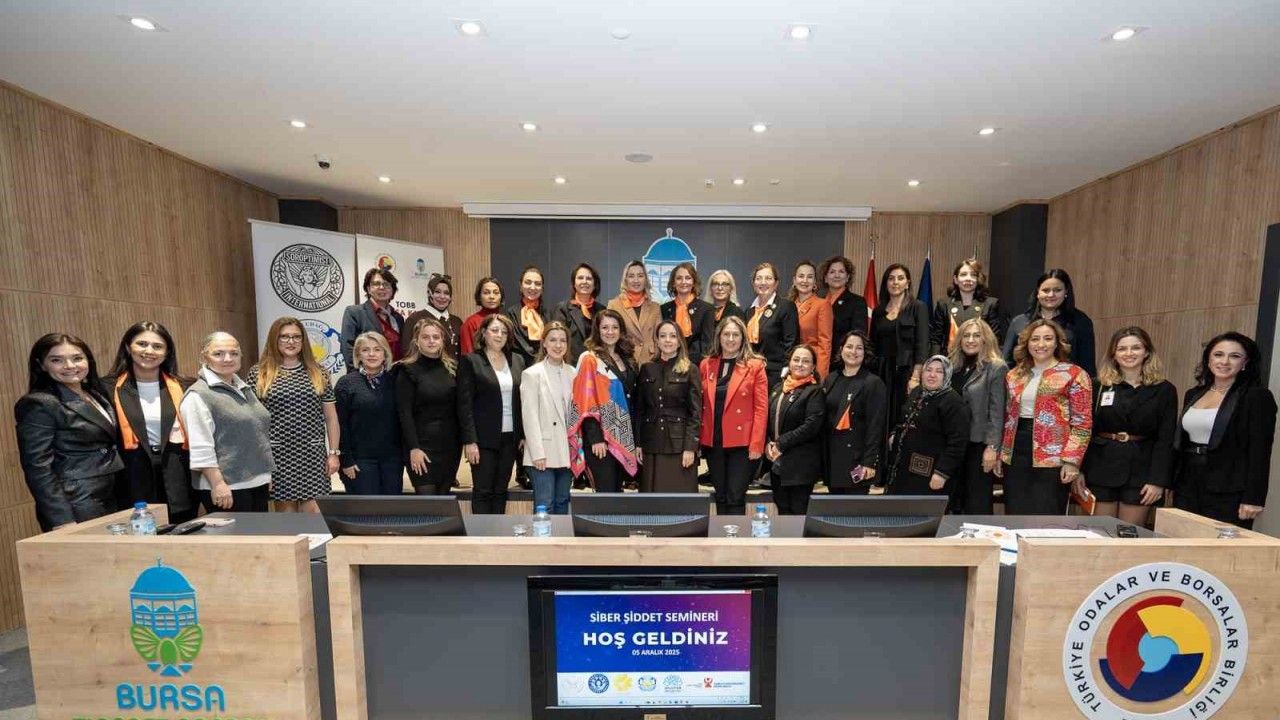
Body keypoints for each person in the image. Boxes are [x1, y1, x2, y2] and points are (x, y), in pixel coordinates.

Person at [16, 333, 124, 530]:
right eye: (56, 360)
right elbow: (37, 466)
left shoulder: (95, 394)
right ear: (42, 365)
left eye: (77, 358)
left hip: (110, 493)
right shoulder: (39, 403)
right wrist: (61, 519)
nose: (70, 366)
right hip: (77, 501)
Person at [1174, 331, 1276, 529]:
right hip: (1187, 483)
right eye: (1218, 354)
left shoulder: (1256, 397)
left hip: (1228, 488)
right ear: (1209, 359)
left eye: (1234, 356)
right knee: (1184, 539)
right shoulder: (1193, 394)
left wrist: (1253, 498)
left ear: (1245, 363)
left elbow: (1260, 451)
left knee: (1220, 544)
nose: (1224, 361)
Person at [1078, 327, 1177, 525]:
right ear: (1113, 354)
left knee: (1129, 533)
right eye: (1122, 349)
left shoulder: (1164, 389)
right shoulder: (1098, 386)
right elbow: (1084, 430)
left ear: (1147, 352)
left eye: (1136, 348)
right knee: (1099, 533)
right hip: (1100, 468)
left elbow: (1166, 439)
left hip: (1142, 471)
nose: (1129, 353)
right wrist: (1078, 470)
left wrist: (1158, 481)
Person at [995, 319, 1092, 515]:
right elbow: (1006, 418)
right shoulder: (1014, 375)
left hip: (1054, 455)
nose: (1041, 344)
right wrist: (1000, 454)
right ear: (1026, 343)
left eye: (1048, 338)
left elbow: (1082, 423)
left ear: (1057, 343)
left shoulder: (1074, 374)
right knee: (1015, 512)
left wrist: (1072, 461)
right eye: (1035, 339)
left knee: (1047, 514)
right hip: (1015, 452)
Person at [107, 321, 198, 523]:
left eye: (157, 346)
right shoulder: (107, 387)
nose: (149, 351)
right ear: (128, 347)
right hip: (131, 476)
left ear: (167, 352)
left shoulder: (186, 386)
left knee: (181, 531)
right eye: (142, 344)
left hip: (177, 474)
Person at [247, 317, 339, 512]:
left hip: (312, 455)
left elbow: (331, 418)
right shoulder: (259, 373)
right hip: (277, 456)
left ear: (303, 340)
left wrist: (333, 454)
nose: (291, 341)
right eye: (285, 337)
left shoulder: (318, 372)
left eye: (296, 337)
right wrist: (260, 462)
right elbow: (253, 423)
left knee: (314, 517)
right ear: (274, 339)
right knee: (287, 519)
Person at [180, 332, 274, 513]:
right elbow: (201, 447)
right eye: (218, 354)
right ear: (204, 357)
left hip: (256, 482)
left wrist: (264, 475)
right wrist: (218, 484)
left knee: (259, 532)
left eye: (234, 353)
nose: (228, 359)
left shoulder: (243, 388)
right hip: (227, 487)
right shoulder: (198, 395)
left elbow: (256, 433)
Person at [699, 316, 768, 515]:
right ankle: (722, 535)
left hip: (742, 444)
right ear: (719, 337)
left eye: (735, 335)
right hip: (714, 442)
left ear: (743, 338)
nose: (730, 339)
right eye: (726, 334)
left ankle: (736, 535)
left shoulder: (755, 366)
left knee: (735, 496)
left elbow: (761, 409)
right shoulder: (706, 364)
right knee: (720, 495)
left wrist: (757, 444)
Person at [568, 309, 640, 492]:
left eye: (615, 327)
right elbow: (585, 403)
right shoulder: (589, 359)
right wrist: (596, 439)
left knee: (617, 492)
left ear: (621, 330)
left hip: (623, 435)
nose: (610, 332)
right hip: (600, 439)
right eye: (605, 327)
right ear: (597, 330)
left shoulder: (628, 358)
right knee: (605, 493)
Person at [459, 314, 525, 514]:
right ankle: (481, 533)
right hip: (483, 440)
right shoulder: (471, 361)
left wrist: (522, 435)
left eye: (504, 332)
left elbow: (522, 401)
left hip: (510, 438)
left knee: (501, 491)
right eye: (495, 330)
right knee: (483, 491)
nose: (499, 335)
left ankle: (498, 531)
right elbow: (464, 405)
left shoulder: (517, 360)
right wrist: (470, 440)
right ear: (484, 333)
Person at [395, 317, 465, 496]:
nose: (431, 341)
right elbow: (404, 414)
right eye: (425, 337)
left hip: (450, 446)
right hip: (421, 447)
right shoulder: (407, 370)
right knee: (427, 502)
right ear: (416, 341)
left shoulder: (453, 368)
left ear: (443, 340)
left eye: (436, 337)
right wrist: (414, 448)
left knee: (443, 499)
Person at [946, 318, 1008, 514]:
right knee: (952, 501)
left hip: (978, 446)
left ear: (985, 339)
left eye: (976, 335)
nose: (970, 340)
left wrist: (992, 447)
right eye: (966, 335)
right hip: (952, 444)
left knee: (977, 503)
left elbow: (997, 412)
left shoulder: (996, 368)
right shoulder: (952, 367)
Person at [885, 355, 971, 497]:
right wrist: (895, 434)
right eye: (928, 370)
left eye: (939, 371)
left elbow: (958, 442)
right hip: (902, 466)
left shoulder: (953, 402)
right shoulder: (917, 392)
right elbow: (903, 417)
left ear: (947, 375)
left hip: (929, 473)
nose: (932, 375)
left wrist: (942, 473)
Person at [635, 320, 703, 492]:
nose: (667, 340)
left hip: (679, 445)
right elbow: (640, 410)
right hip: (651, 443)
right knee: (652, 499)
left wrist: (690, 448)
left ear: (679, 341)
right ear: (657, 341)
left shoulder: (690, 369)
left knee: (679, 498)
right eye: (663, 336)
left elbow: (695, 413)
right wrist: (638, 444)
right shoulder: (647, 368)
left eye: (673, 336)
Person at [334, 332, 402, 495]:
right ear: (358, 355)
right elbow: (340, 425)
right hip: (359, 461)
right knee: (365, 509)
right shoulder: (346, 383)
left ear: (385, 354)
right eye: (365, 350)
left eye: (377, 349)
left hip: (392, 461)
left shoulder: (396, 381)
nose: (372, 354)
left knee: (392, 509)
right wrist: (346, 460)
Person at [870, 263, 931, 444]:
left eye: (900, 278)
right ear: (886, 283)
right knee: (880, 417)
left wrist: (915, 377)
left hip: (906, 372)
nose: (895, 282)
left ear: (907, 283)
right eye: (891, 278)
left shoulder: (918, 307)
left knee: (903, 417)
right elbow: (872, 345)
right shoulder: (878, 311)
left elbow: (922, 344)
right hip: (881, 373)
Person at [520, 322, 576, 514]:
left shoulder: (573, 373)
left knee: (562, 502)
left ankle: (561, 536)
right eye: (553, 340)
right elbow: (529, 416)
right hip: (542, 452)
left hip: (566, 450)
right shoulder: (532, 374)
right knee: (545, 504)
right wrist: (537, 453)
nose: (558, 345)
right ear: (544, 343)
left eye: (562, 340)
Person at [822, 330, 887, 495]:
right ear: (841, 349)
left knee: (855, 509)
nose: (853, 351)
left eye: (859, 348)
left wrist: (869, 462)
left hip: (858, 461)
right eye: (849, 346)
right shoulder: (831, 379)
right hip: (833, 459)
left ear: (865, 353)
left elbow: (876, 427)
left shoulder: (873, 383)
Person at [764, 344, 825, 515]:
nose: (800, 364)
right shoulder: (778, 389)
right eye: (796, 359)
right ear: (789, 363)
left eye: (806, 361)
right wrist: (768, 443)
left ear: (813, 367)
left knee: (798, 514)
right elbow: (767, 419)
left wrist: (780, 443)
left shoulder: (814, 392)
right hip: (777, 464)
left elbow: (811, 426)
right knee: (782, 511)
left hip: (800, 466)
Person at [1003, 269, 1096, 376]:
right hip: (1024, 382)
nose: (1051, 295)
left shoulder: (1080, 321)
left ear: (1066, 292)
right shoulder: (1020, 322)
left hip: (1068, 383)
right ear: (1038, 292)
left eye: (1057, 290)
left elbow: (1088, 366)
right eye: (1046, 290)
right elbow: (1007, 362)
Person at [929, 258, 1007, 356]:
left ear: (978, 280)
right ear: (956, 279)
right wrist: (936, 360)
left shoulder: (990, 304)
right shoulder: (944, 304)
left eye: (973, 275)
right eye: (963, 274)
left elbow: (995, 338)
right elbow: (936, 339)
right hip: (951, 358)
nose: (968, 278)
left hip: (981, 359)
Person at [746, 262, 800, 389]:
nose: (763, 282)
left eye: (768, 278)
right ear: (753, 283)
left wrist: (786, 371)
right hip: (751, 373)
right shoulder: (749, 311)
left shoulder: (786, 306)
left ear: (776, 283)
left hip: (776, 375)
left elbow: (791, 342)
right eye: (759, 278)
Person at [341, 268, 405, 370]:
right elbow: (348, 347)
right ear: (368, 289)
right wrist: (358, 374)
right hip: (367, 375)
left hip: (396, 375)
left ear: (392, 290)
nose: (381, 287)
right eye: (376, 284)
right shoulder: (354, 313)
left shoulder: (398, 318)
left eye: (386, 284)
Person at [818, 255, 869, 375]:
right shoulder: (818, 301)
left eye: (841, 272)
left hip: (842, 364)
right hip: (818, 362)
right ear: (825, 278)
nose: (837, 275)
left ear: (847, 277)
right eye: (832, 272)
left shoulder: (857, 302)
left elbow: (858, 335)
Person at [660, 262, 716, 366]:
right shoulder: (664, 309)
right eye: (679, 278)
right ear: (673, 283)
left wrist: (691, 365)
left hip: (696, 366)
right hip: (669, 364)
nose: (683, 282)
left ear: (694, 282)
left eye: (688, 278)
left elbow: (707, 344)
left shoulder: (706, 309)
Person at [607, 259, 662, 365]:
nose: (636, 280)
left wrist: (655, 355)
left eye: (640, 276)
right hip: (624, 361)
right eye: (631, 276)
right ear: (625, 280)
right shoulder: (614, 305)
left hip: (649, 362)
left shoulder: (655, 307)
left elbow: (658, 338)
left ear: (645, 279)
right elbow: (609, 336)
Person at [401, 273, 464, 358]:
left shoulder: (457, 321)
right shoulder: (414, 319)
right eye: (437, 292)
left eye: (446, 293)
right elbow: (407, 352)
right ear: (429, 293)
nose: (442, 296)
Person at [790, 260, 834, 380]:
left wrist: (820, 375)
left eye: (809, 277)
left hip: (811, 366)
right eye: (801, 276)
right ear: (794, 280)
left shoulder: (822, 305)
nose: (805, 280)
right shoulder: (788, 306)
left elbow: (825, 344)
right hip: (792, 367)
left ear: (815, 282)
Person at [505, 265, 553, 367]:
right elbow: (517, 343)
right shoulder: (511, 313)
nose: (533, 287)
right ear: (521, 286)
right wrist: (538, 359)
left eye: (537, 284)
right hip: (520, 366)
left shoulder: (548, 314)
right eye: (528, 282)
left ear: (542, 289)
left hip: (545, 365)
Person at [553, 263, 602, 361]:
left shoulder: (602, 310)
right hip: (571, 364)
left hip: (597, 363)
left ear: (594, 284)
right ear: (574, 284)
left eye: (589, 278)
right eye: (580, 278)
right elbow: (558, 340)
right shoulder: (563, 309)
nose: (585, 281)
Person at [459, 277, 504, 355]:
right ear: (479, 296)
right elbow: (468, 357)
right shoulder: (470, 323)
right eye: (486, 293)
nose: (492, 297)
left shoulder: (506, 321)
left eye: (496, 293)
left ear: (501, 296)